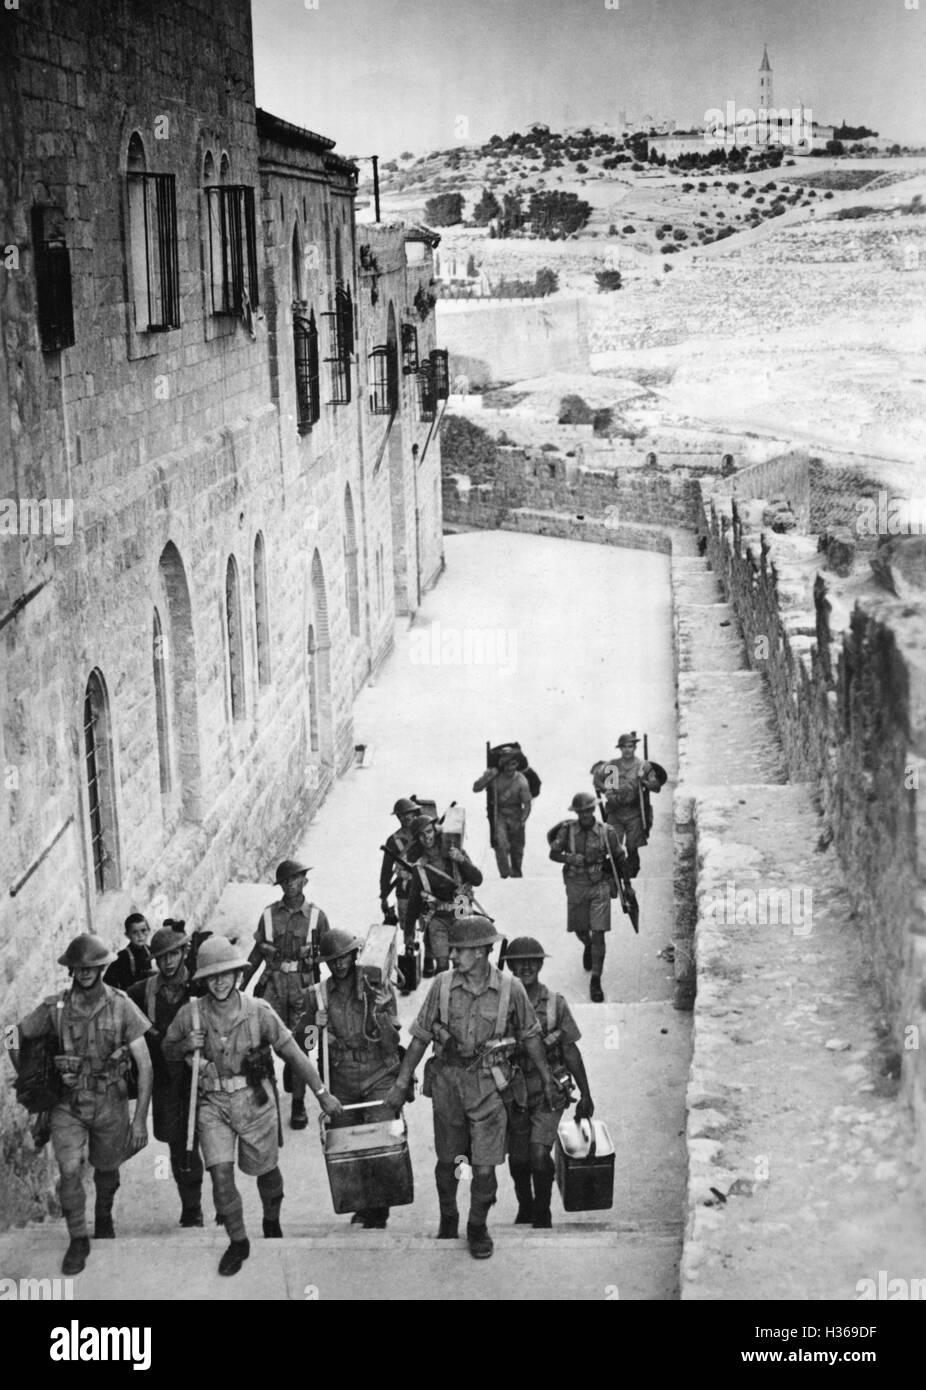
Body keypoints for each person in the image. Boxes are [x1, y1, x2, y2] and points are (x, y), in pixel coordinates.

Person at [163, 936, 343, 1277]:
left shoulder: (258, 1011)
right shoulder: (191, 1014)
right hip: (212, 1104)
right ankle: (238, 1240)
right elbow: (168, 1050)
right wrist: (187, 1045)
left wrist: (322, 1094)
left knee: (267, 1170)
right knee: (220, 1176)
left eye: (226, 974)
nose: (220, 981)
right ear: (203, 980)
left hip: (255, 1103)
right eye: (212, 976)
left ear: (238, 975)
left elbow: (293, 1052)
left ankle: (271, 1221)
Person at [383, 915, 554, 1261]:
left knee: (485, 1167)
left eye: (459, 950)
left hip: (491, 1086)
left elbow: (531, 1037)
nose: (452, 955)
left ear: (479, 952)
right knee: (449, 1162)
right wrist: (402, 1082)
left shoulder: (511, 989)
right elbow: (420, 1038)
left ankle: (477, 1225)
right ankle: (449, 1215)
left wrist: (547, 1079)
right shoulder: (442, 985)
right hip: (448, 1084)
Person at [10, 933, 153, 1275]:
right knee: (70, 1170)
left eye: (92, 966)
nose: (85, 972)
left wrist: (139, 1119)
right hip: (67, 1104)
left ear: (102, 967)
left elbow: (144, 1065)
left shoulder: (121, 1005)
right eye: (79, 967)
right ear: (71, 969)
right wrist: (32, 1077)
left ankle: (103, 1216)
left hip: (110, 1101)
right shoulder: (54, 1007)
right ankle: (78, 1238)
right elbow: (12, 1035)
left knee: (107, 1168)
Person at [295, 929, 402, 1229]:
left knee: (379, 1141)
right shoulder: (316, 995)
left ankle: (379, 1210)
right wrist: (314, 1027)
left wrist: (381, 1011)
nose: (340, 965)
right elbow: (300, 1047)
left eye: (344, 957)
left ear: (355, 955)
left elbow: (392, 1044)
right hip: (340, 1079)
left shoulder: (376, 987)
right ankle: (361, 1205)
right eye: (333, 960)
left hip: (377, 1073)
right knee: (345, 1145)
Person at [502, 937, 594, 1228]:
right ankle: (525, 1206)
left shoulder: (555, 1004)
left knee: (538, 1154)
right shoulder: (501, 1005)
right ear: (511, 966)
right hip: (512, 1090)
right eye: (520, 961)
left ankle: (542, 1210)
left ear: (541, 964)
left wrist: (587, 1095)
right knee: (518, 1160)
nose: (527, 965)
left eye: (533, 960)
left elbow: (570, 1049)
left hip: (548, 1089)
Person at [240, 859, 330, 1130]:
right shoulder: (268, 915)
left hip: (304, 987)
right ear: (280, 885)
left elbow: (330, 953)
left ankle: (298, 1102)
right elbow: (257, 953)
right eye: (286, 881)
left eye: (296, 878)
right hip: (274, 986)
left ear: (305, 881)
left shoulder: (317, 916)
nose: (292, 884)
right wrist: (240, 986)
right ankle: (269, 1096)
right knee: (264, 1041)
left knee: (303, 1044)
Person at [127, 925, 205, 1227]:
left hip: (201, 1075)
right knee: (178, 1144)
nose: (169, 962)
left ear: (184, 952)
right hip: (166, 1081)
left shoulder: (201, 986)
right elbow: (120, 1012)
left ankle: (222, 1201)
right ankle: (192, 1206)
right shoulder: (142, 992)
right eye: (162, 957)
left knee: (207, 1139)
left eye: (174, 953)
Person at [548, 792, 626, 1002]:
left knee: (599, 932)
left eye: (588, 810)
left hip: (599, 885)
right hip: (576, 885)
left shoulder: (606, 832)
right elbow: (553, 853)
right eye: (580, 811)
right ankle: (588, 945)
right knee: (580, 930)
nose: (584, 814)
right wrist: (570, 858)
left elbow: (620, 858)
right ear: (576, 813)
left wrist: (627, 887)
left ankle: (596, 980)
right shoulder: (567, 831)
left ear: (593, 810)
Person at [405, 816, 484, 976]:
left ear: (435, 831)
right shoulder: (420, 868)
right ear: (417, 840)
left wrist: (462, 860)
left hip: (461, 908)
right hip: (438, 917)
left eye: (429, 831)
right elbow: (413, 902)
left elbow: (477, 879)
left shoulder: (455, 852)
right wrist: (409, 934)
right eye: (421, 835)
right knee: (442, 966)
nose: (427, 837)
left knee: (461, 962)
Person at [591, 732, 663, 879]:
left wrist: (644, 781)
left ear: (635, 747)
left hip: (634, 813)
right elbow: (597, 780)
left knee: (631, 847)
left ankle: (632, 871)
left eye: (630, 746)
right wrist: (606, 791)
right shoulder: (613, 765)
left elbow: (656, 786)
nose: (627, 750)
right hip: (615, 812)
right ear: (620, 748)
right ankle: (616, 871)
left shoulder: (642, 766)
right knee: (612, 846)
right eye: (624, 747)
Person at [472, 747, 532, 879]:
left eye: (513, 764)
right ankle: (505, 874)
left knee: (517, 850)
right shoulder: (494, 775)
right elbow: (476, 788)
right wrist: (488, 777)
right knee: (500, 844)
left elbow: (527, 805)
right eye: (507, 764)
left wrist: (521, 821)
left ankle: (516, 875)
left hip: (516, 813)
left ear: (517, 764)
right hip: (499, 814)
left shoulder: (521, 781)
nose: (510, 767)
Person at [379, 798, 420, 943]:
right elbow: (386, 871)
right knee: (407, 929)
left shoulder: (424, 834)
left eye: (409, 813)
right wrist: (383, 896)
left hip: (425, 889)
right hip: (405, 890)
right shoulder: (393, 841)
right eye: (402, 814)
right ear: (398, 817)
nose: (407, 817)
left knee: (429, 928)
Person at [102, 913, 152, 991]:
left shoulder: (152, 951)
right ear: (127, 935)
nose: (140, 935)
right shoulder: (122, 957)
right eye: (135, 932)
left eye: (143, 930)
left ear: (149, 930)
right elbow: (107, 982)